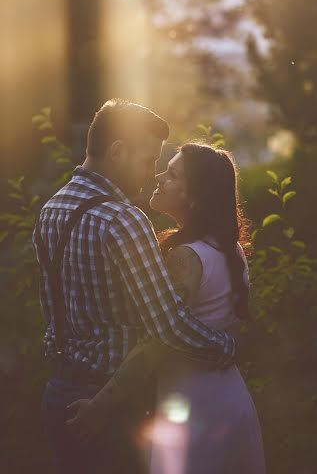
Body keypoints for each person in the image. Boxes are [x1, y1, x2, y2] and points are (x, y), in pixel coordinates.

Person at [33, 99, 236, 474]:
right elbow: (168, 325)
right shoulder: (123, 219)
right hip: (111, 405)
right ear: (116, 151)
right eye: (147, 161)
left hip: (58, 393)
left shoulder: (51, 210)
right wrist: (224, 346)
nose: (150, 173)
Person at [67, 142, 266, 474]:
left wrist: (99, 406)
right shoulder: (230, 248)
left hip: (195, 408)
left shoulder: (186, 258)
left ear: (195, 197)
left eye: (172, 174)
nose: (159, 176)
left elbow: (158, 341)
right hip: (230, 398)